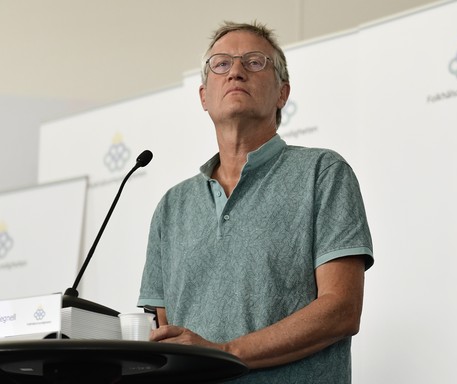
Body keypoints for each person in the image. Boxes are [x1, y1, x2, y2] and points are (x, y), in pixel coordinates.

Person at [138, 21, 374, 383]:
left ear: (283, 93)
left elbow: (341, 309)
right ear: (203, 96)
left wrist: (225, 353)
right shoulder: (172, 206)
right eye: (221, 64)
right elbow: (164, 335)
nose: (235, 71)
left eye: (254, 62)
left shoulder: (322, 173)